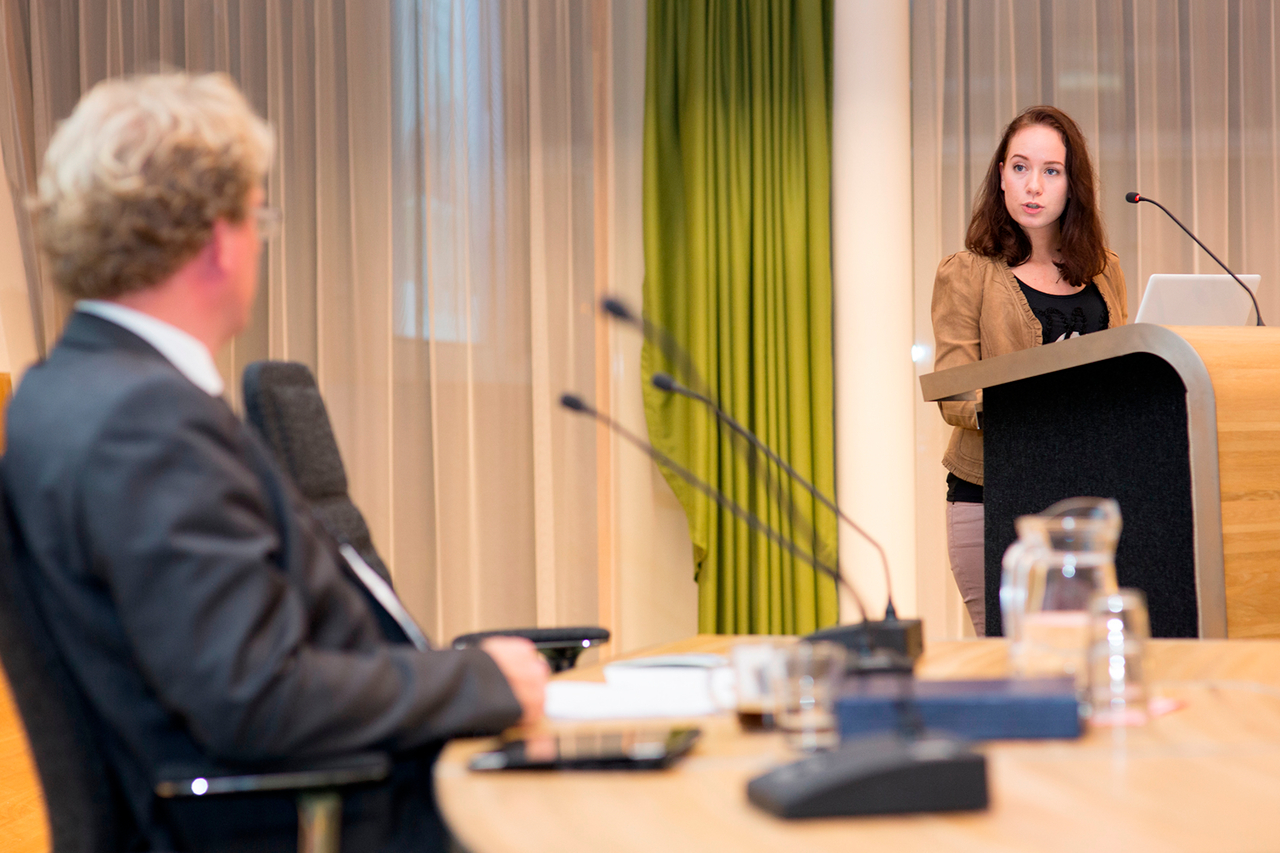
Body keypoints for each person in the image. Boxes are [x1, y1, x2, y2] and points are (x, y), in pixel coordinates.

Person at [1, 72, 549, 852]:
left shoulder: (69, 388)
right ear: (220, 241)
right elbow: (256, 692)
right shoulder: (143, 422)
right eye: (260, 216)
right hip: (330, 818)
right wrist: (481, 680)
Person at [931, 105, 1128, 636]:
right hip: (990, 495)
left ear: (1072, 184)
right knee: (1010, 658)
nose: (1033, 185)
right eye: (1019, 168)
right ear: (1000, 177)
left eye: (1051, 170)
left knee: (1084, 655)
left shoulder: (1104, 271)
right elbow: (955, 394)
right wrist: (1041, 406)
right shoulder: (967, 272)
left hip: (1085, 498)